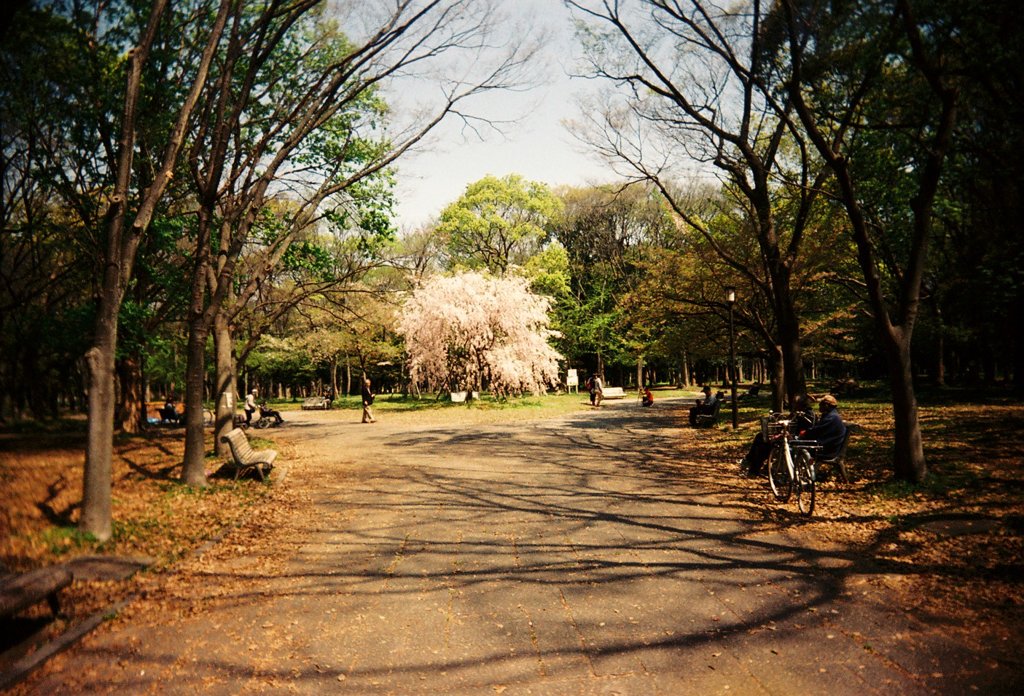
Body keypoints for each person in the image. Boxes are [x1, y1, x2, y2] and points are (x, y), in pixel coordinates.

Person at [741, 394, 844, 477]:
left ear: (826, 405)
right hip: (820, 444)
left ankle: (755, 469)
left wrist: (798, 436)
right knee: (764, 438)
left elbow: (813, 431)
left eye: (821, 404)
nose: (819, 406)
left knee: (767, 443)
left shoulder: (826, 417)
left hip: (822, 448)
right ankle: (754, 465)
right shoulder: (829, 416)